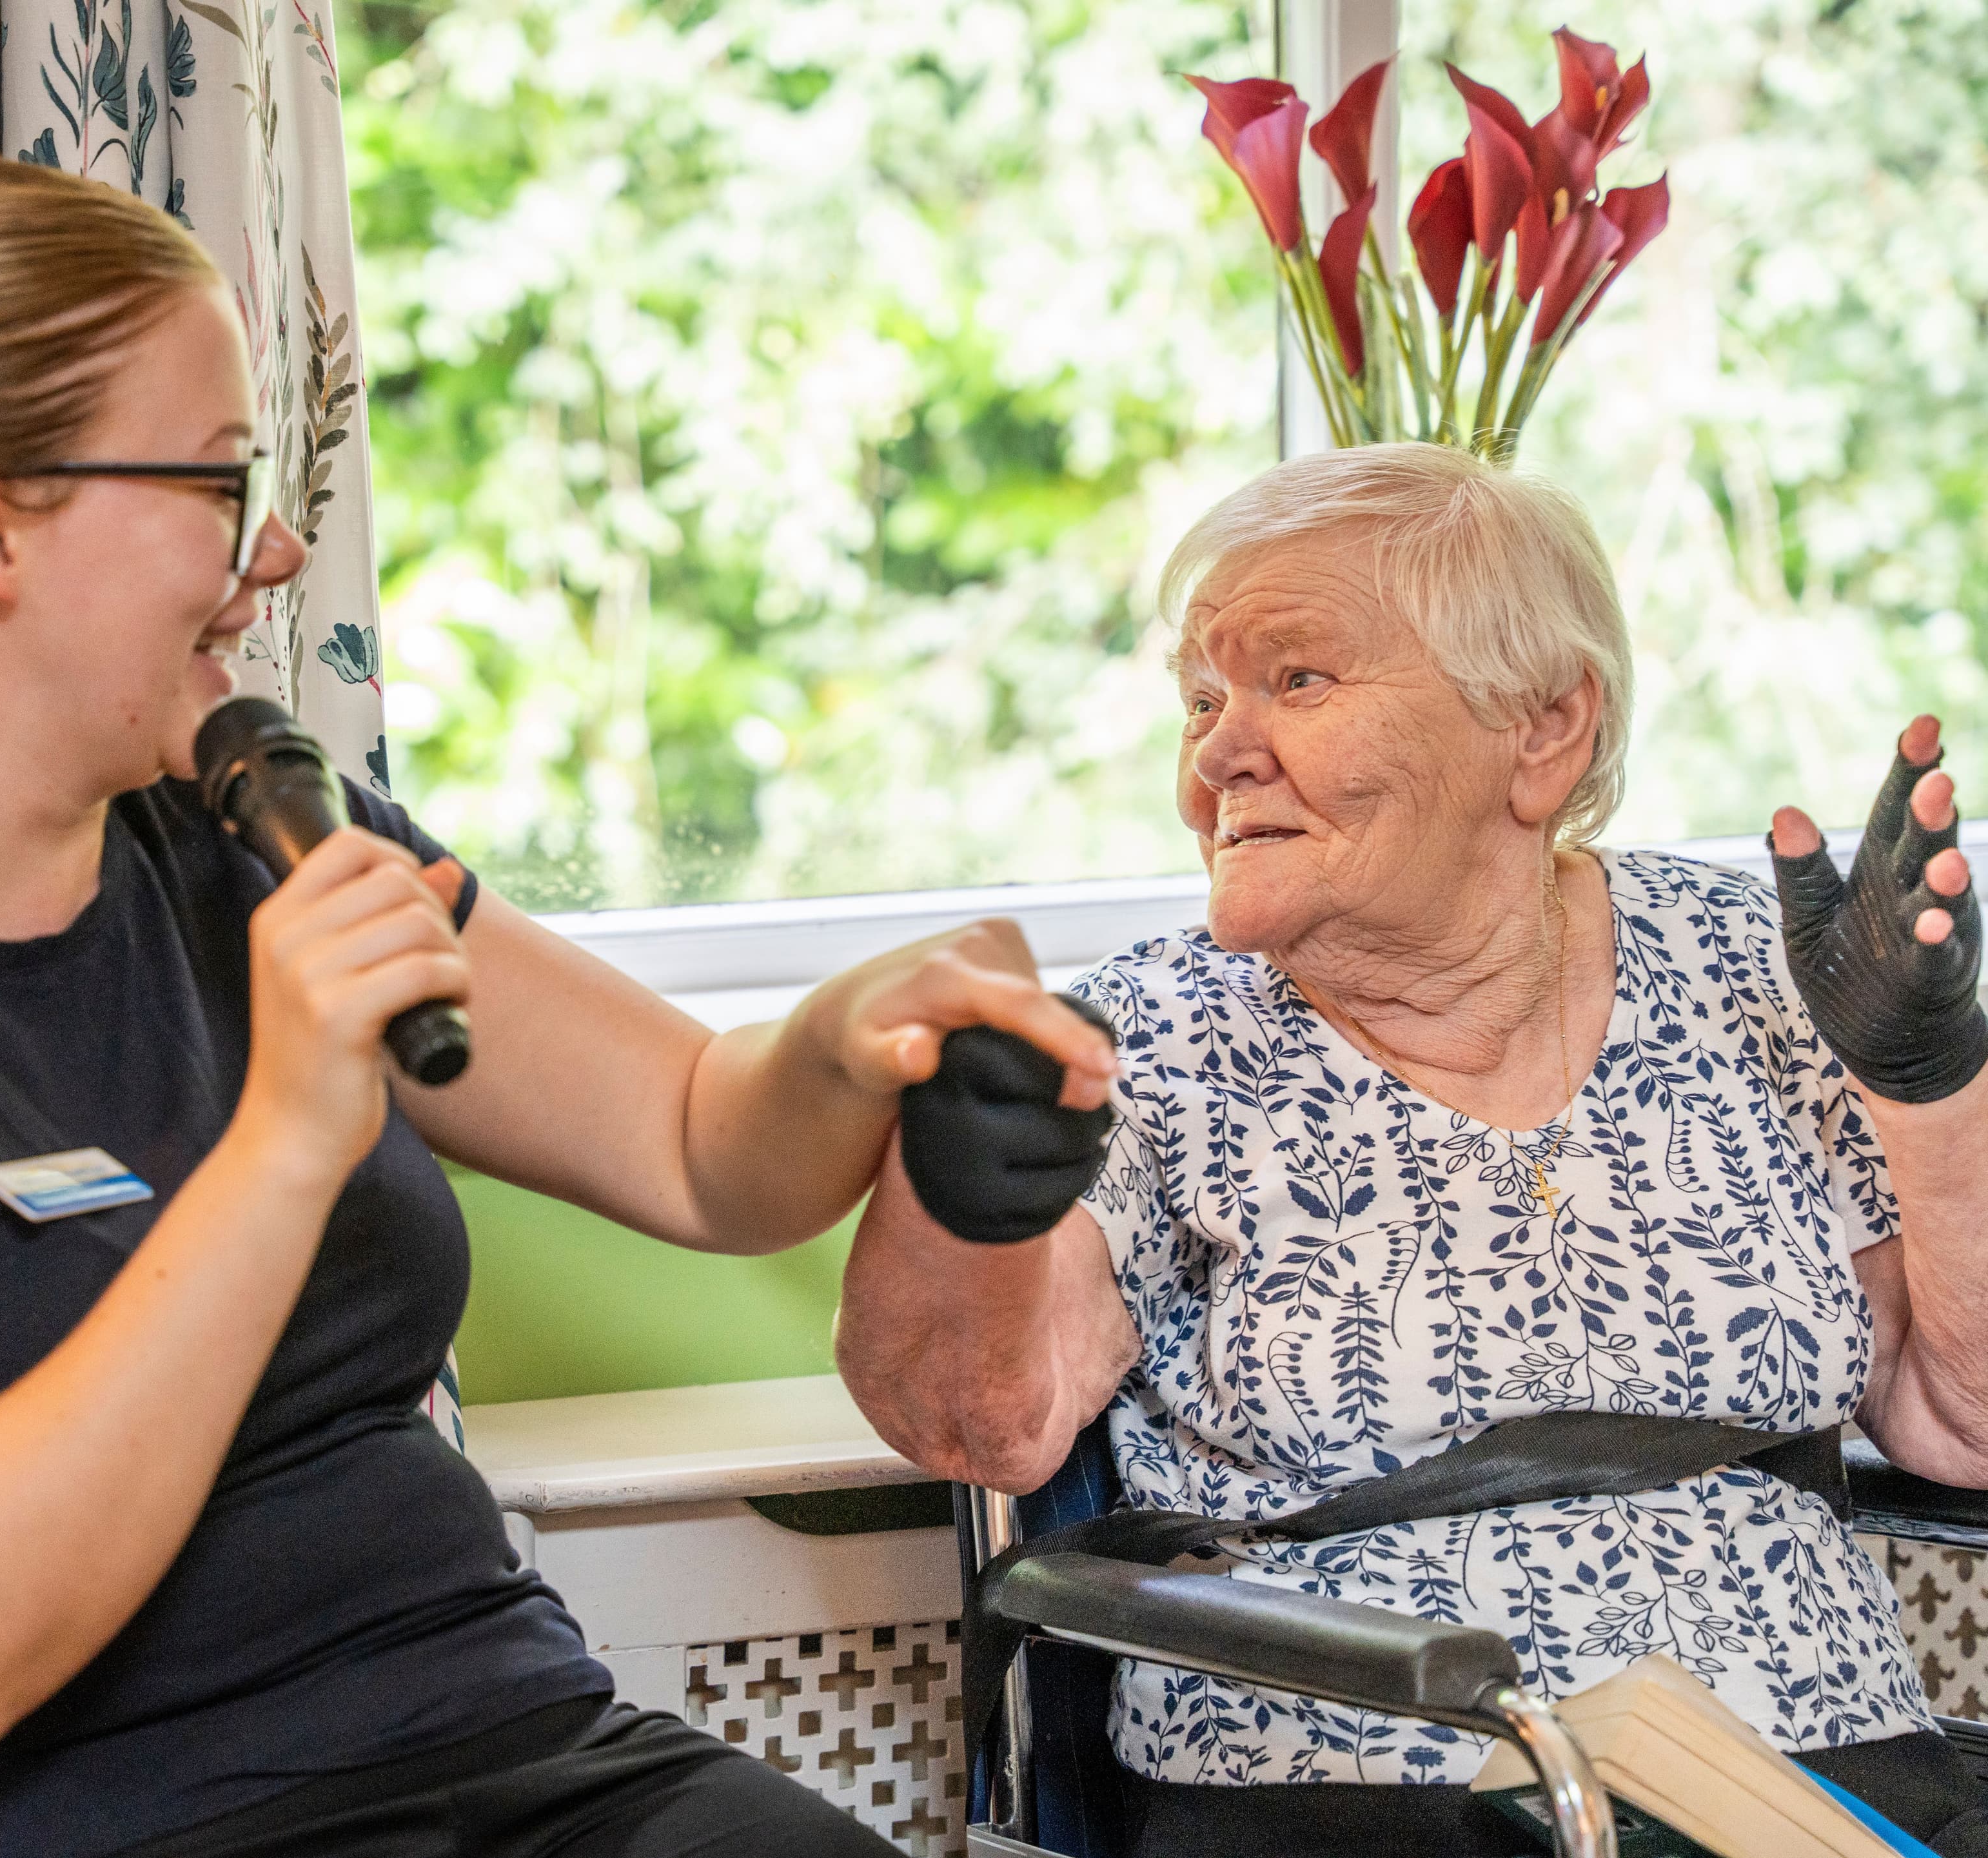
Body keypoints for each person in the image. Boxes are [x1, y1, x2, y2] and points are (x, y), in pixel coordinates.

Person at [0, 153, 1118, 1857]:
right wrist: (281, 1140)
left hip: (509, 1751)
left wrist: (855, 1040)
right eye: (218, 478)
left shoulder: (258, 836)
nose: (276, 547)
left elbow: (696, 1138)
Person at [836, 441, 1988, 1855]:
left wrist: (1937, 1090)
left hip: (1815, 1777)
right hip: (1358, 1781)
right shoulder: (1142, 1036)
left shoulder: (1755, 961)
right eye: (1202, 699)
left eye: (1296, 681)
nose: (1215, 753)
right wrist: (951, 1188)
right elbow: (982, 1422)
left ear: (1544, 730)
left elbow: (1960, 1424)